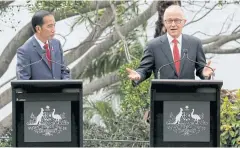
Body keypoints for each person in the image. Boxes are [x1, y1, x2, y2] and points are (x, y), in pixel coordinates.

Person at [126, 5, 215, 86]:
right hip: (162, 97)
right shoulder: (153, 46)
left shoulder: (195, 43)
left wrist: (204, 73)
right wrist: (138, 75)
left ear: (184, 22)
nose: (173, 24)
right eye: (169, 20)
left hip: (188, 97)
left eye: (177, 20)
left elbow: (201, 69)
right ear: (164, 22)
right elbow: (144, 70)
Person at [16, 10, 70, 80]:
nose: (53, 30)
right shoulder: (25, 51)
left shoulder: (56, 44)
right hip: (38, 91)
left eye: (54, 25)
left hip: (59, 90)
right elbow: (23, 80)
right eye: (50, 26)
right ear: (38, 29)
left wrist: (66, 85)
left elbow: (64, 71)